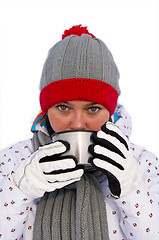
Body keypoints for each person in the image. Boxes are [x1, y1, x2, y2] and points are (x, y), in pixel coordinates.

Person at [0, 25, 158, 240]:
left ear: (110, 112)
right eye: (63, 108)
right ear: (46, 110)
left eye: (93, 109)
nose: (77, 124)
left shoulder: (144, 163)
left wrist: (131, 193)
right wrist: (19, 191)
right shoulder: (12, 161)